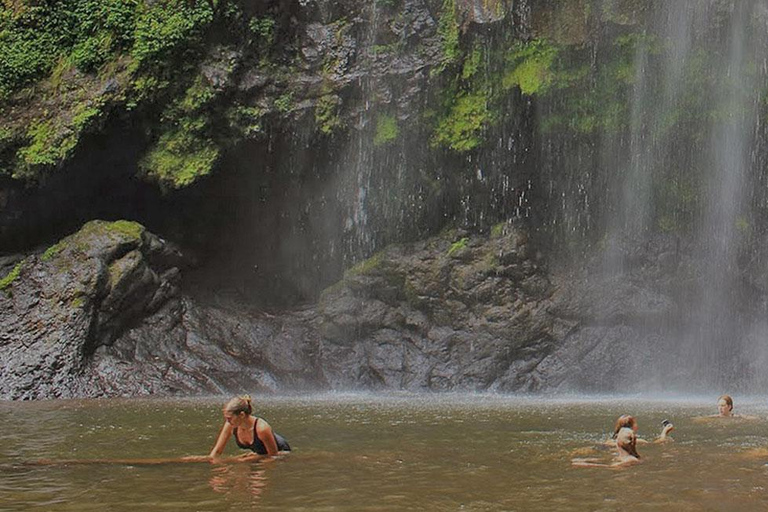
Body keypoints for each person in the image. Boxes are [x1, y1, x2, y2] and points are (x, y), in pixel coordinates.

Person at [209, 395, 291, 459]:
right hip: (261, 454)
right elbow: (217, 451)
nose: (227, 421)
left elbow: (273, 456)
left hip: (281, 453)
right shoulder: (230, 424)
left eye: (229, 418)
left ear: (242, 415)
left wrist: (252, 458)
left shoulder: (262, 429)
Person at [573, 427, 641, 468]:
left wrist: (586, 464)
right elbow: (604, 460)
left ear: (618, 442)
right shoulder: (624, 457)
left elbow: (610, 467)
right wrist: (585, 460)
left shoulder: (630, 460)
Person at [606, 415, 674, 445]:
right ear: (633, 427)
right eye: (635, 423)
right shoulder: (637, 441)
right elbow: (656, 443)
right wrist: (665, 431)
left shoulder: (609, 442)